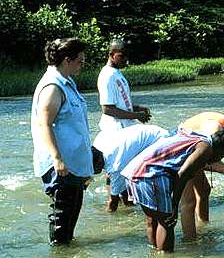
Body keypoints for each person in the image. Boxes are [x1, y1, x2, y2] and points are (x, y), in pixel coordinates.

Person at [121, 128, 224, 252]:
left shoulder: (198, 137)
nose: (219, 159)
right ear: (220, 149)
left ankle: (155, 256)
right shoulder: (206, 148)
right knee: (168, 222)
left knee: (153, 219)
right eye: (222, 155)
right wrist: (174, 206)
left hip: (134, 171)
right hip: (150, 175)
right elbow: (183, 174)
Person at [31, 38, 93, 245]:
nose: (82, 65)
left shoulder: (67, 83)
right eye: (80, 61)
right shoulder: (52, 87)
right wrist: (57, 158)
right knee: (61, 223)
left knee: (70, 218)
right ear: (67, 60)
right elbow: (44, 125)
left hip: (73, 163)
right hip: (61, 165)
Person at [92, 124, 169, 212]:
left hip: (160, 142)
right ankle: (130, 204)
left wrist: (105, 216)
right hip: (154, 131)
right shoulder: (98, 143)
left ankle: (153, 207)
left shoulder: (115, 166)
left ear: (97, 164)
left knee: (142, 179)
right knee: (124, 179)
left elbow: (113, 202)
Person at [97, 39, 151, 131]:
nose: (125, 59)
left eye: (126, 56)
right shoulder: (107, 75)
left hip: (126, 126)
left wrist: (136, 108)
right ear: (111, 55)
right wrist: (137, 116)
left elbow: (120, 104)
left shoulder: (116, 73)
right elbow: (107, 109)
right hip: (115, 128)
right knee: (159, 133)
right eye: (121, 56)